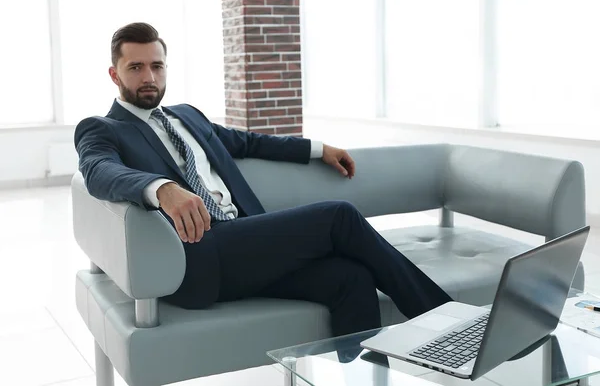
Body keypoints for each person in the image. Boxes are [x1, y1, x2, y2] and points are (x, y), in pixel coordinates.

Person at [74, 22, 452, 338]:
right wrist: (162, 189)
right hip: (200, 257)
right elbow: (98, 170)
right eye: (136, 68)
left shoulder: (186, 116)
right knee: (339, 217)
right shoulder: (102, 129)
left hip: (246, 243)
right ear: (114, 74)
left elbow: (250, 142)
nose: (149, 77)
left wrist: (319, 150)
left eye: (156, 66)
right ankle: (448, 326)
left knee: (350, 278)